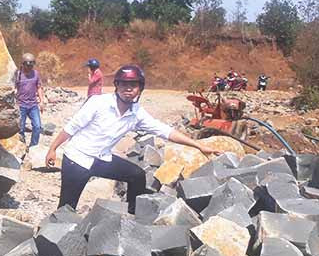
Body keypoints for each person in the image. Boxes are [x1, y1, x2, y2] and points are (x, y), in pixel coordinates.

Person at [45, 64, 220, 210]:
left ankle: (130, 217)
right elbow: (71, 127)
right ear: (117, 86)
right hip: (77, 160)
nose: (128, 89)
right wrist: (53, 149)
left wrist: (198, 145)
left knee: (136, 175)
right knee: (66, 208)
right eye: (123, 85)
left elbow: (165, 131)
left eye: (133, 85)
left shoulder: (137, 113)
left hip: (100, 159)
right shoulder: (98, 103)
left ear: (140, 89)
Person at [13, 53, 44, 147]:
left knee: (37, 126)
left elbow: (39, 87)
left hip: (33, 105)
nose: (30, 67)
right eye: (28, 65)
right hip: (21, 105)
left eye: (31, 65)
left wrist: (42, 101)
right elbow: (13, 88)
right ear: (23, 64)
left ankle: (33, 146)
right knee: (20, 129)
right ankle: (22, 147)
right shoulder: (17, 74)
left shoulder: (36, 74)